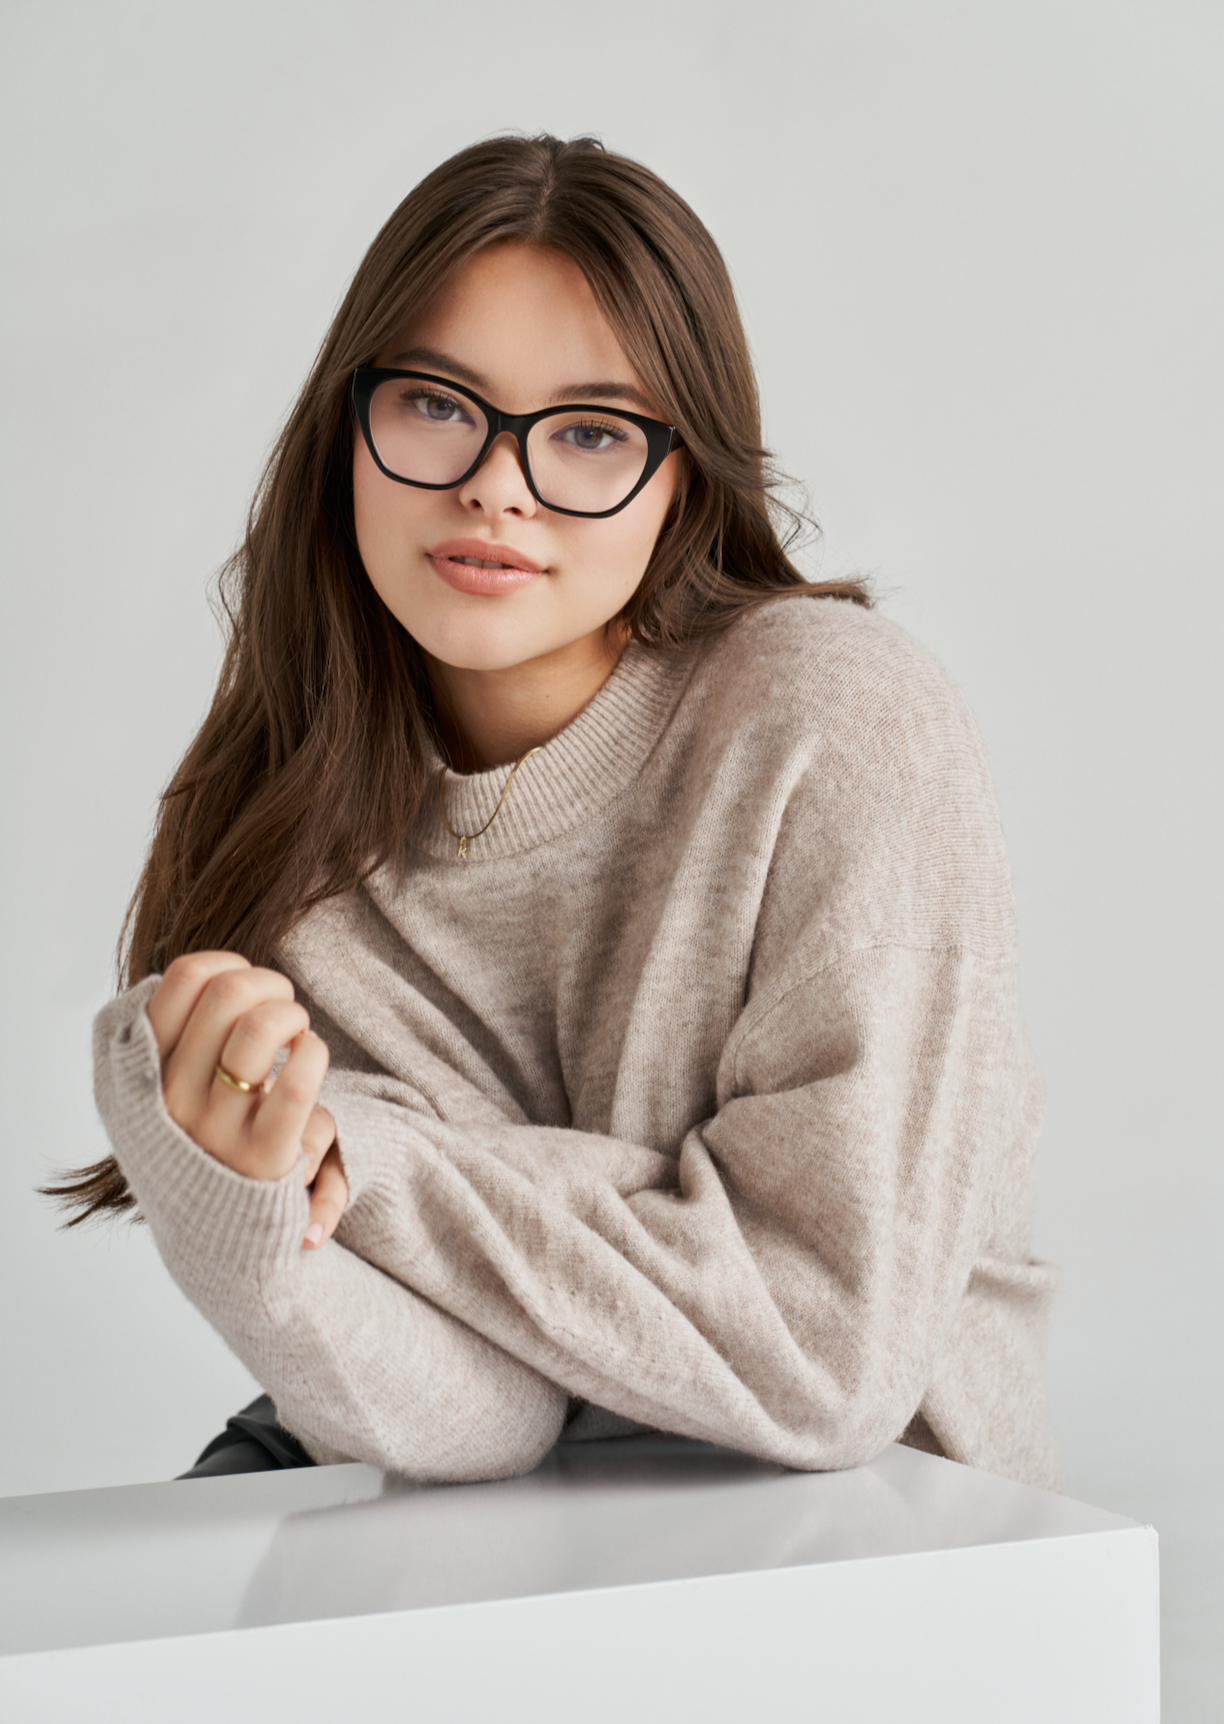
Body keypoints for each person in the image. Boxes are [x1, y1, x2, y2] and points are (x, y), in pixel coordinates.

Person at [53, 134, 1060, 1490]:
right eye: (435, 404)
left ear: (683, 482)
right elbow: (475, 1419)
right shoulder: (299, 827)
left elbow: (823, 1348)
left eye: (589, 433)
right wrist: (248, 1225)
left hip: (845, 1515)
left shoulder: (837, 725)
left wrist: (377, 1163)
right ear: (346, 427)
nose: (496, 484)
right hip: (447, 1499)